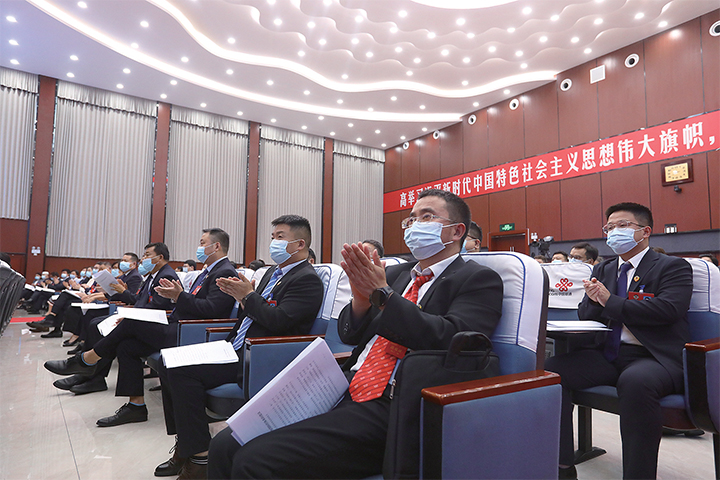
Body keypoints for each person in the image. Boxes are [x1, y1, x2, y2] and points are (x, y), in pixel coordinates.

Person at [208, 188, 504, 479]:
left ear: (457, 231)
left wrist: (384, 296)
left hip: (395, 401)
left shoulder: (478, 278)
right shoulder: (397, 275)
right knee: (225, 443)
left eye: (426, 217)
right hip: (347, 383)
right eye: (412, 219)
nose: (415, 226)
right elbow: (350, 335)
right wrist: (361, 300)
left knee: (254, 460)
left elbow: (451, 339)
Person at [154, 215, 324, 479]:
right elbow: (251, 314)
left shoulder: (307, 279)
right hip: (234, 347)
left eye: (280, 237)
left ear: (300, 244)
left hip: (258, 356)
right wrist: (244, 300)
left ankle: (199, 457)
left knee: (180, 371)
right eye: (273, 237)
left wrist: (247, 296)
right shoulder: (272, 273)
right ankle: (187, 444)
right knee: (168, 360)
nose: (273, 242)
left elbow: (279, 322)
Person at [545, 202, 693, 480]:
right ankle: (562, 466)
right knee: (551, 372)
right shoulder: (604, 269)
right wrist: (593, 301)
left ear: (645, 231)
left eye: (622, 226)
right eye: (609, 227)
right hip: (609, 354)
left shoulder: (672, 266)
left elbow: (668, 310)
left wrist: (608, 300)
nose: (614, 232)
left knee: (636, 382)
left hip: (653, 357)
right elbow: (585, 314)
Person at [44, 231, 237, 424]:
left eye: (202, 243)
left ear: (216, 246)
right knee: (127, 346)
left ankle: (87, 360)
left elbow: (212, 309)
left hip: (191, 332)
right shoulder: (208, 272)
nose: (199, 247)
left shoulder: (224, 272)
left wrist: (179, 296)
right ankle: (135, 406)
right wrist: (177, 298)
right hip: (178, 325)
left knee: (130, 323)